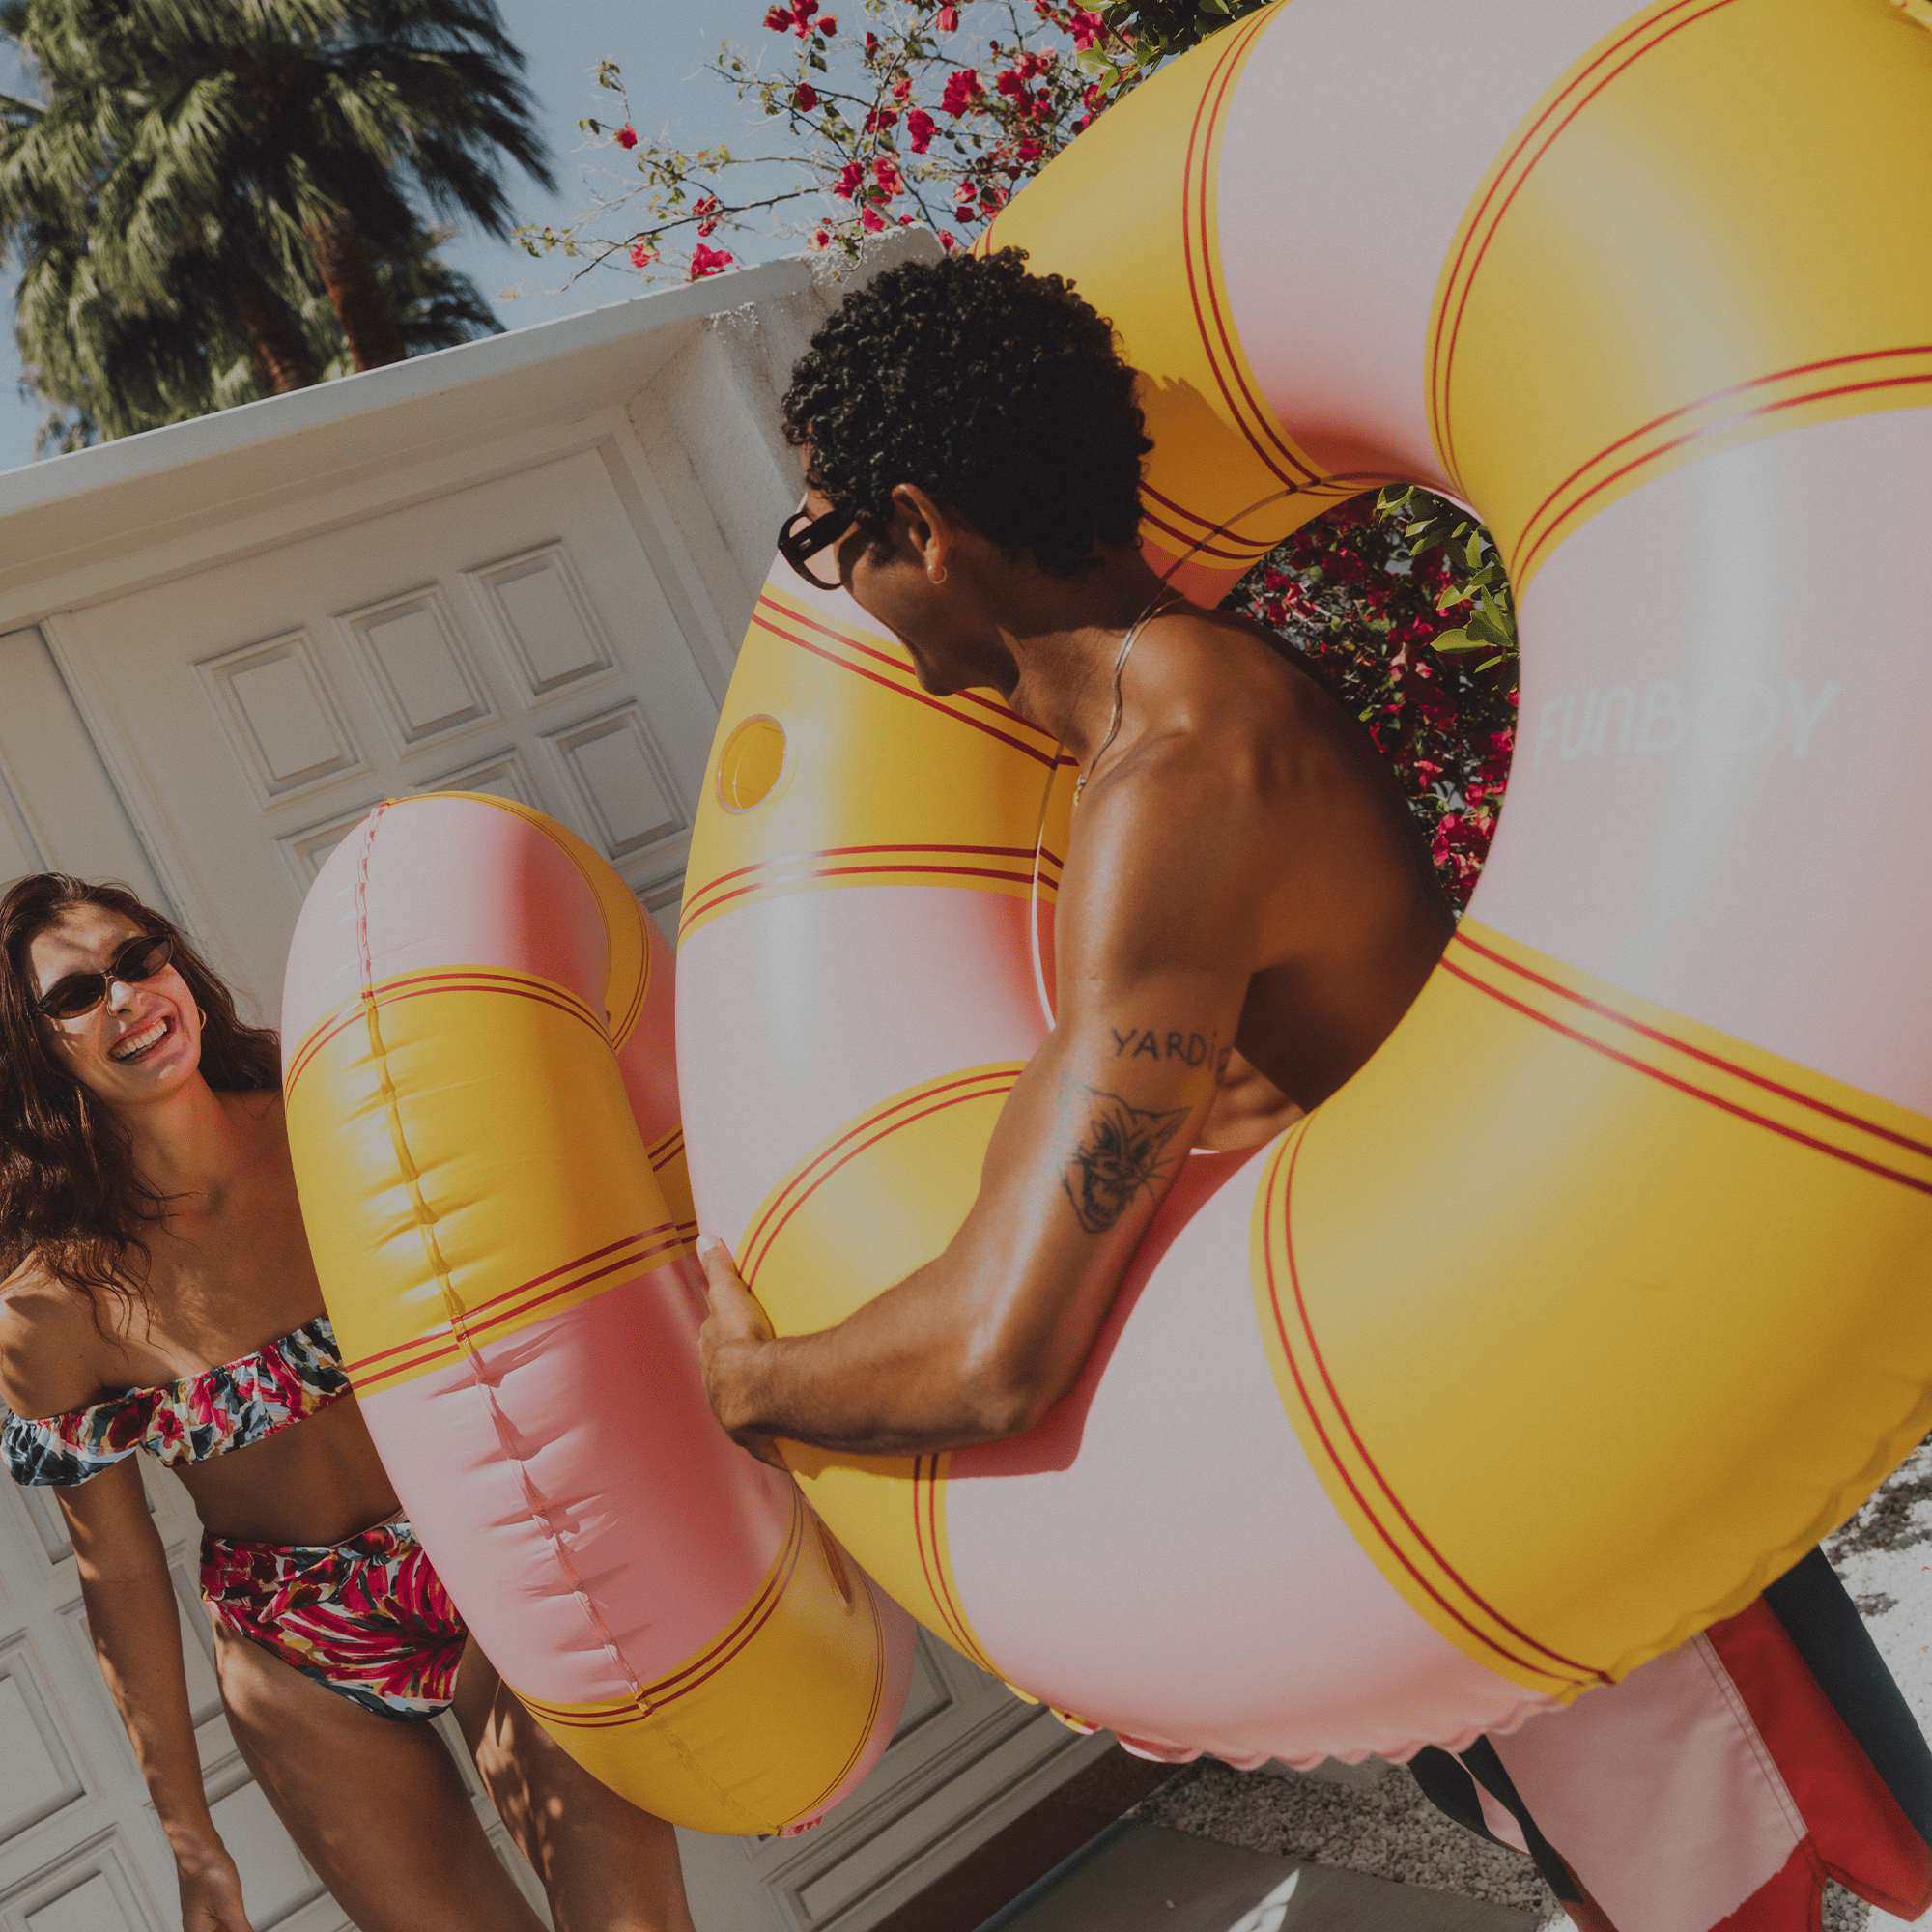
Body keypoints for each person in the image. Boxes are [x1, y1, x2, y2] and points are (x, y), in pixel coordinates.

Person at [695, 248, 1932, 1932]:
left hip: (1516, 1459)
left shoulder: (1180, 783)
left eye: (829, 540)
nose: (839, 585)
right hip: (1479, 1440)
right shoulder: (1188, 706)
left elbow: (998, 1352)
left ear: (923, 525)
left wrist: (756, 1382)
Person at [0, 874, 696, 1932]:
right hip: (296, 1647)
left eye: (138, 958)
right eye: (77, 994)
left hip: (490, 1561)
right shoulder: (52, 1305)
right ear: (29, 1051)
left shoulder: (335, 1111)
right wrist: (191, 1838)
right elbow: (122, 1570)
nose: (128, 996)